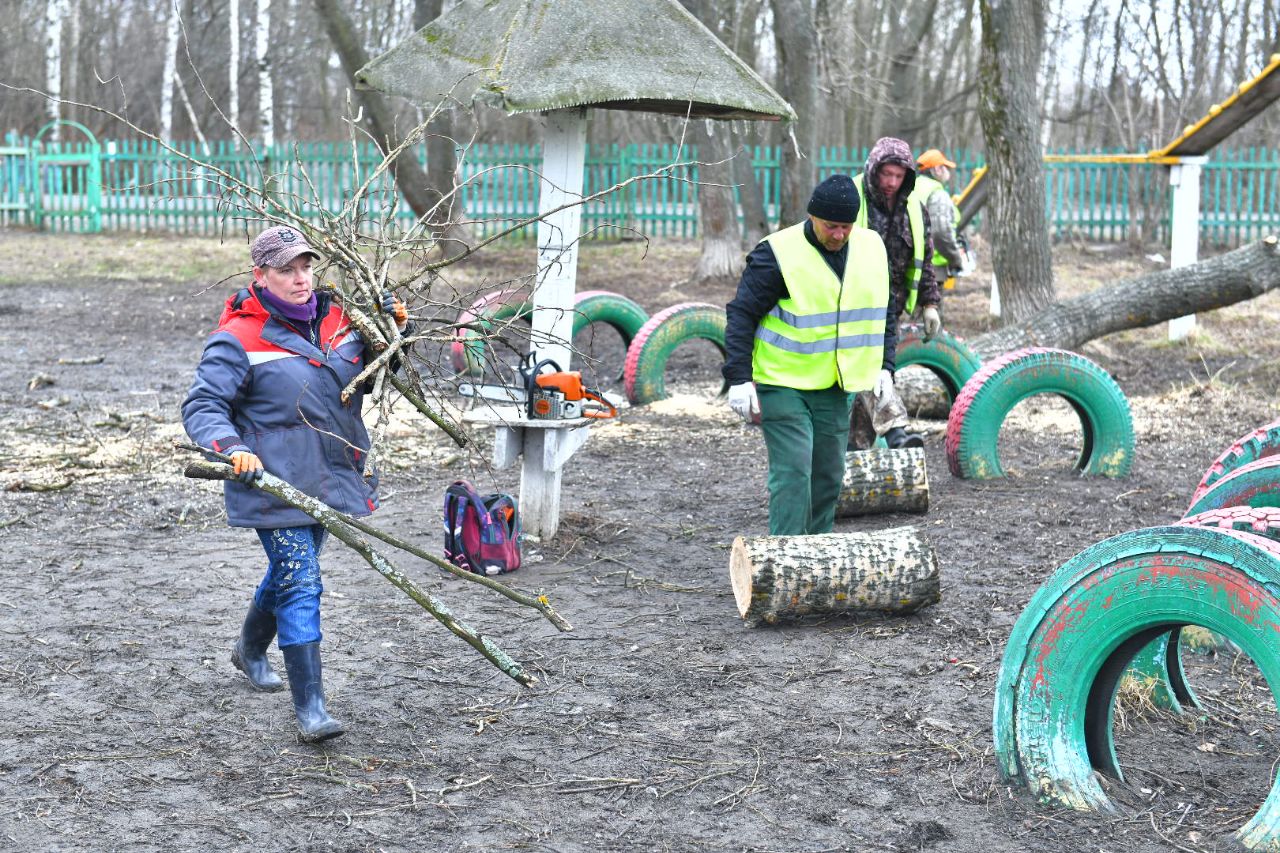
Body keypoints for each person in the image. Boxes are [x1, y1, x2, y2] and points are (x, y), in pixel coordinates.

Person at [182, 224, 407, 742]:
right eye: (287, 269)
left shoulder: (339, 319)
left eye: (306, 265)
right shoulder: (238, 338)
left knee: (289, 573)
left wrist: (394, 334)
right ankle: (311, 710)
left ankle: (248, 649)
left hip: (332, 473)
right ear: (261, 274)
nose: (301, 278)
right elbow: (202, 406)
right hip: (272, 479)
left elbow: (365, 378)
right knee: (302, 580)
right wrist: (232, 448)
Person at [722, 175, 891, 536]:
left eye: (846, 227)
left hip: (836, 384)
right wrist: (737, 378)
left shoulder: (872, 247)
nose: (839, 235)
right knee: (794, 471)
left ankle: (815, 560)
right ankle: (784, 559)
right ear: (812, 216)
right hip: (783, 382)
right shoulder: (777, 255)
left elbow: (883, 311)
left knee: (829, 476)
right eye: (831, 226)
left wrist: (885, 367)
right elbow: (742, 313)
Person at [848, 137, 941, 450]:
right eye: (886, 174)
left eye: (898, 176)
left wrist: (930, 303)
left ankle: (860, 448)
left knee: (880, 370)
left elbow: (924, 259)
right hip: (850, 304)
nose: (891, 182)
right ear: (874, 170)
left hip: (892, 305)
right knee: (868, 371)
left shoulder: (915, 208)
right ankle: (892, 434)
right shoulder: (850, 197)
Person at [909, 148, 971, 288]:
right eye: (945, 167)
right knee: (931, 308)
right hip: (932, 267)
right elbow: (941, 233)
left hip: (910, 263)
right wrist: (956, 259)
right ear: (937, 169)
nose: (948, 172)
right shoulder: (937, 194)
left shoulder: (912, 188)